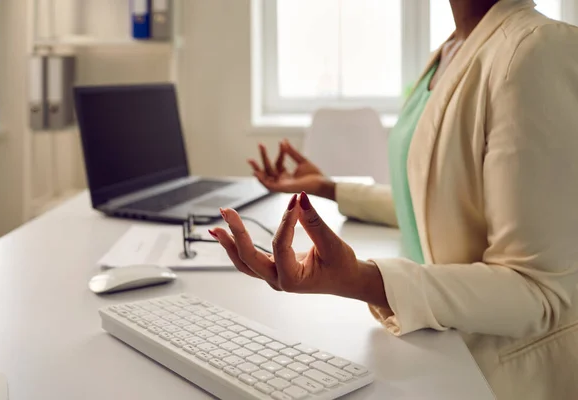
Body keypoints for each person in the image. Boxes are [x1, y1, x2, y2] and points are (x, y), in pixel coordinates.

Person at [209, 0, 578, 398]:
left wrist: (359, 279)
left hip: (493, 371)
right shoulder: (454, 47)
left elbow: (538, 291)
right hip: (434, 345)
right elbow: (436, 202)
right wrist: (328, 188)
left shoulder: (535, 48)